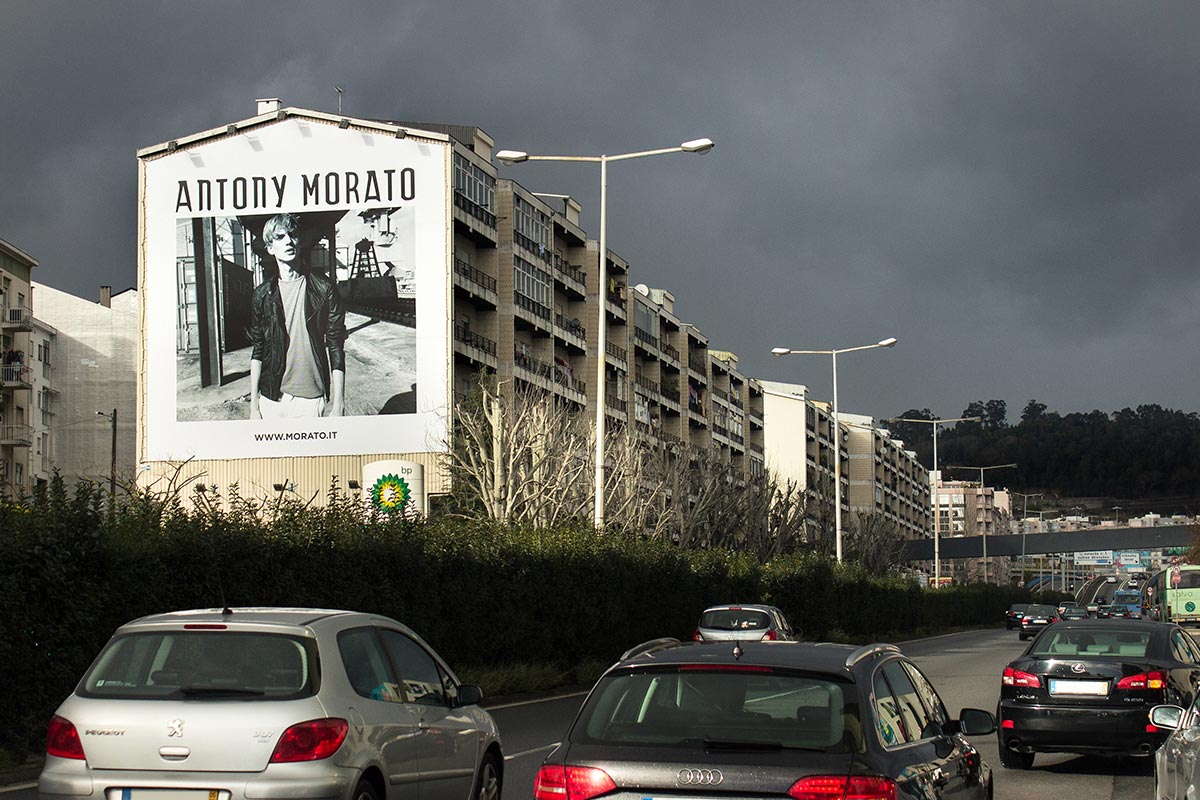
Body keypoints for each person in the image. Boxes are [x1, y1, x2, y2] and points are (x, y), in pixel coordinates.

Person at [249, 213, 347, 419]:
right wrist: (254, 407)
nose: (288, 240)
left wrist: (338, 404)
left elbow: (335, 345)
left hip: (310, 399)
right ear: (270, 248)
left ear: (299, 242)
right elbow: (258, 349)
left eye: (292, 235)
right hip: (271, 398)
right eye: (280, 237)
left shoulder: (324, 288)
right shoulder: (262, 295)